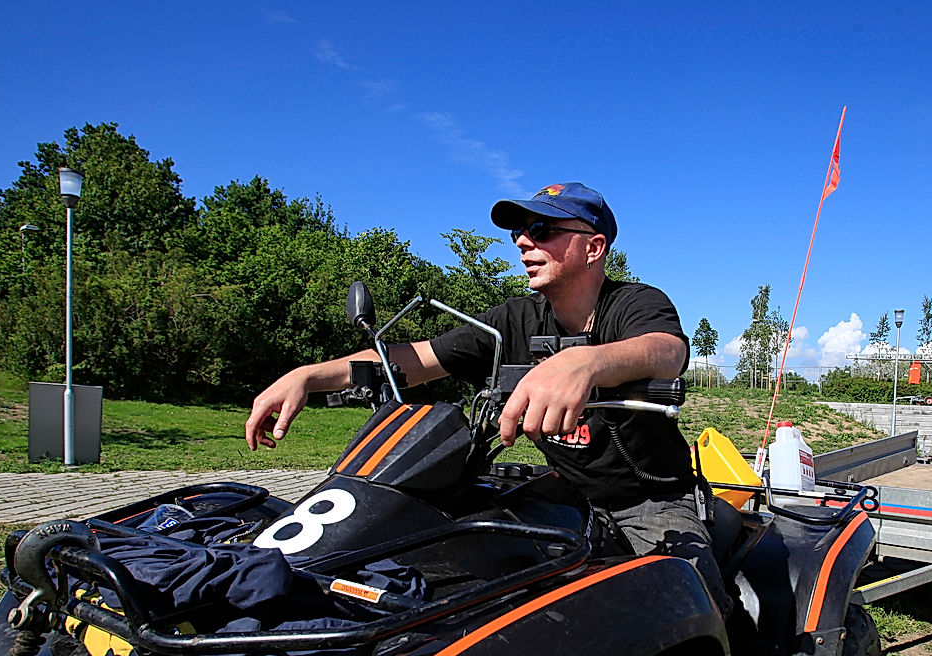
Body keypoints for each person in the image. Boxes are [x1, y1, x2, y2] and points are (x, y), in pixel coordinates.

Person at [245, 182, 730, 615]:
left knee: (688, 599)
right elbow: (415, 359)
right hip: (562, 489)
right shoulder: (512, 320)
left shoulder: (635, 304)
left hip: (647, 500)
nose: (524, 240)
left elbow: (667, 351)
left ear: (594, 246)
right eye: (520, 231)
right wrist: (309, 376)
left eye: (542, 229)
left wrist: (584, 363)